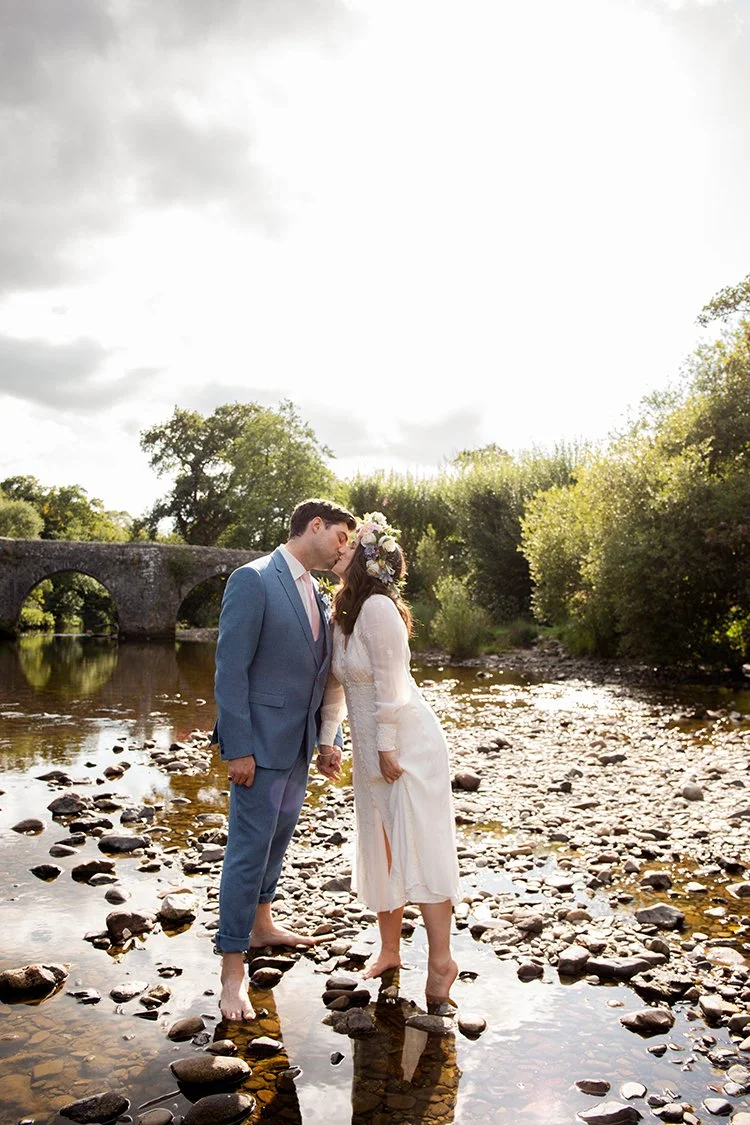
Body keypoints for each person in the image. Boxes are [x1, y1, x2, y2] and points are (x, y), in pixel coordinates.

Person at [212, 497, 356, 1021]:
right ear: (315, 526)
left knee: (277, 841)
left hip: (296, 747)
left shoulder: (317, 593)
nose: (346, 546)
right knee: (247, 852)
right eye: (342, 535)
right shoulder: (253, 580)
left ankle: (262, 925)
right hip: (259, 747)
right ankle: (232, 972)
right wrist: (239, 748)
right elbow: (231, 669)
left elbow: (323, 676)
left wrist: (326, 740)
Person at [318, 512, 462, 1008]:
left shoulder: (379, 608)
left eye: (349, 543)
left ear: (366, 558)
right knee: (380, 843)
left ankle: (442, 960)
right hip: (371, 745)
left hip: (404, 743)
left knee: (417, 844)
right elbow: (336, 684)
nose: (339, 547)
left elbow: (392, 685)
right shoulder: (344, 611)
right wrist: (327, 740)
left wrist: (384, 748)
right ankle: (390, 950)